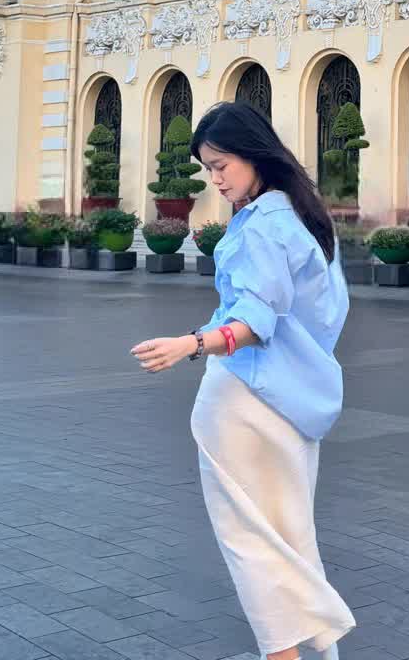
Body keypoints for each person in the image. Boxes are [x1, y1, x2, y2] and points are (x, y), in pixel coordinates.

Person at [131, 102, 353, 660]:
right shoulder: (305, 216)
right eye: (209, 168)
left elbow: (255, 320)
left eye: (221, 165)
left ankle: (284, 655)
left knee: (250, 538)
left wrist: (191, 343)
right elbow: (318, 315)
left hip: (244, 400)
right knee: (289, 532)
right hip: (296, 401)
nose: (215, 179)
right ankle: (316, 650)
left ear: (254, 155)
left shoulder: (264, 226)